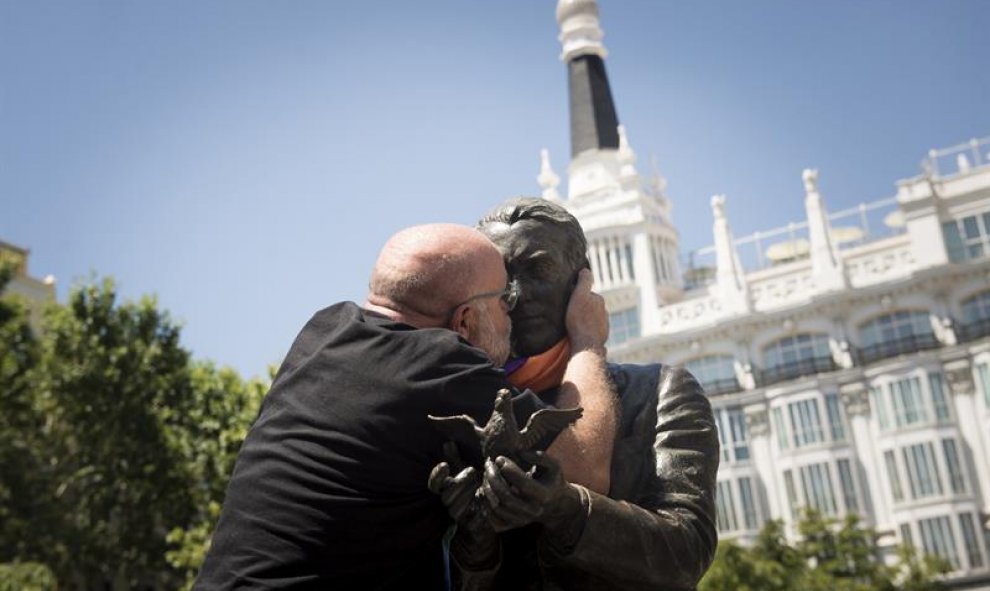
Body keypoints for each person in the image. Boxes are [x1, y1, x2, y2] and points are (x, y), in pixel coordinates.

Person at [194, 223, 615, 590]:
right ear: (464, 321)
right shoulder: (440, 368)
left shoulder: (324, 329)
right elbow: (583, 471)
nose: (514, 308)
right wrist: (588, 341)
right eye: (503, 298)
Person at [431, 199, 720, 590]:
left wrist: (566, 508)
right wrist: (475, 540)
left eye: (538, 270)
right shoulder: (461, 408)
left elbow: (685, 553)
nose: (516, 294)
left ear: (581, 281)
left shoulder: (659, 392)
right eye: (501, 277)